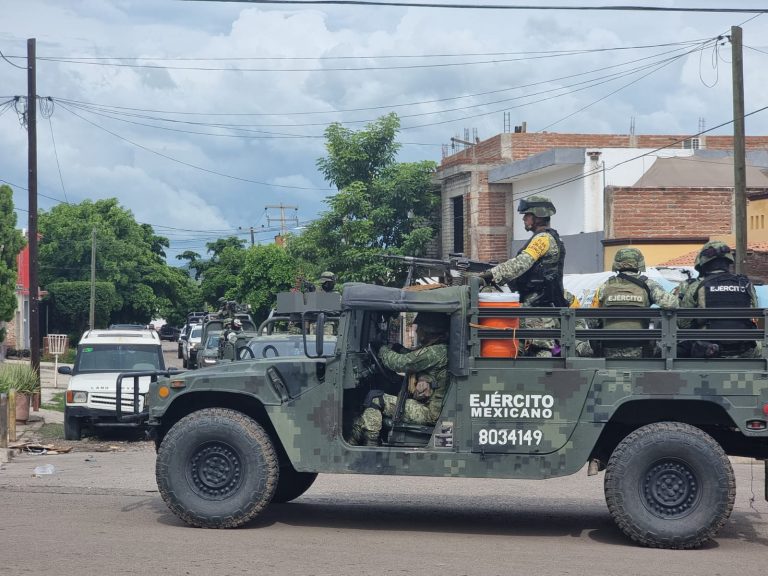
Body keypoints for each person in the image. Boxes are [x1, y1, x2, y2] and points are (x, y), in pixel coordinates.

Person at [477, 195, 567, 357]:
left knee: (539, 354)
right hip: (536, 306)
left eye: (527, 215)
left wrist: (492, 274)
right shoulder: (547, 237)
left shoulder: (543, 239)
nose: (524, 219)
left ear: (538, 216)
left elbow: (521, 263)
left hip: (538, 311)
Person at [349, 312, 449, 446]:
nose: (416, 331)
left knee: (375, 399)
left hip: (429, 413)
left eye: (419, 327)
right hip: (429, 407)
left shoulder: (436, 351)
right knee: (368, 410)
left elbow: (401, 363)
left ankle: (371, 445)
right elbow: (414, 356)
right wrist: (398, 348)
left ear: (428, 330)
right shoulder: (437, 349)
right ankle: (354, 442)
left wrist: (382, 349)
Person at [585, 248, 677, 358]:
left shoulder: (605, 286)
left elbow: (591, 319)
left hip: (609, 348)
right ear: (639, 263)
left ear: (617, 264)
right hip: (640, 348)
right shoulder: (648, 284)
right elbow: (671, 303)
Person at [679, 241, 760, 358]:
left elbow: (683, 323)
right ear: (728, 262)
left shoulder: (697, 286)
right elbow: (755, 313)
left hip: (708, 351)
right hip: (744, 350)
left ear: (704, 264)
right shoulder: (746, 284)